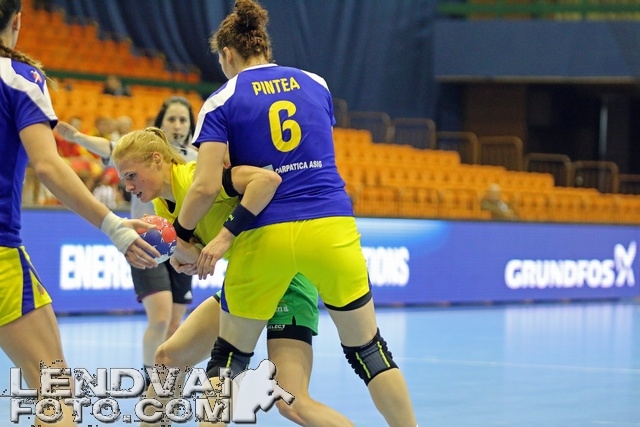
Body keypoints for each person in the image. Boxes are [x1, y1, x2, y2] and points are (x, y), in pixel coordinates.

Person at [171, 1, 418, 426]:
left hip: (264, 233)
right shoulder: (315, 83)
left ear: (228, 55)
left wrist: (182, 233)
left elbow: (205, 186)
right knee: (369, 351)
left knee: (228, 359)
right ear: (263, 47)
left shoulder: (221, 99)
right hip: (330, 226)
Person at [111, 128, 354, 426]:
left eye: (132, 175)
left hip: (285, 277)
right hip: (247, 277)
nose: (128, 186)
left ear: (157, 160)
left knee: (287, 400)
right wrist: (170, 245)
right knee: (168, 359)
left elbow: (266, 180)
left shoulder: (198, 178)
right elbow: (196, 255)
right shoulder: (162, 205)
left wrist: (225, 236)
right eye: (123, 179)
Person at [0, 2, 159, 426]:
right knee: (55, 393)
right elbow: (48, 166)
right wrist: (115, 226)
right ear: (17, 21)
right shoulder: (19, 78)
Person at [55, 96, 202, 389]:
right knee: (160, 318)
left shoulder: (196, 160)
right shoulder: (142, 154)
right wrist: (78, 137)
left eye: (183, 120)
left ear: (190, 125)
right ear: (160, 123)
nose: (177, 125)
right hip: (145, 244)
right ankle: (150, 381)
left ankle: (167, 378)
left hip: (183, 245)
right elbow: (111, 148)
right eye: (171, 119)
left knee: (175, 323)